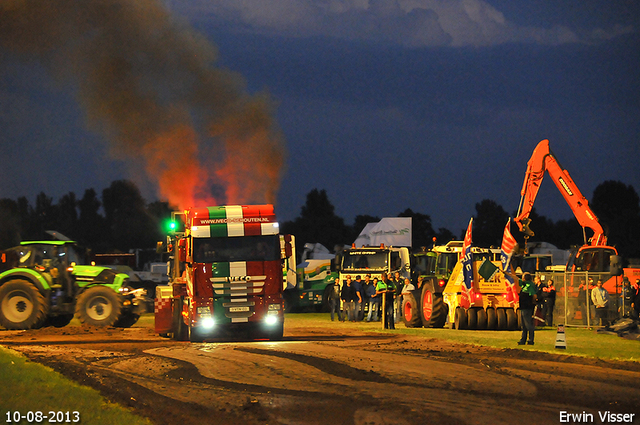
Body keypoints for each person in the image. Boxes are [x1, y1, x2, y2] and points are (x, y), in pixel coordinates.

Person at [512, 271, 536, 345]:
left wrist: (532, 304)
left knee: (528, 324)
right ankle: (523, 340)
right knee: (523, 325)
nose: (521, 278)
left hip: (527, 307)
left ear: (525, 278)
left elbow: (534, 295)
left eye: (523, 277)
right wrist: (506, 273)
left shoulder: (530, 285)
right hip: (522, 307)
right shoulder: (524, 284)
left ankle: (531, 340)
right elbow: (516, 278)